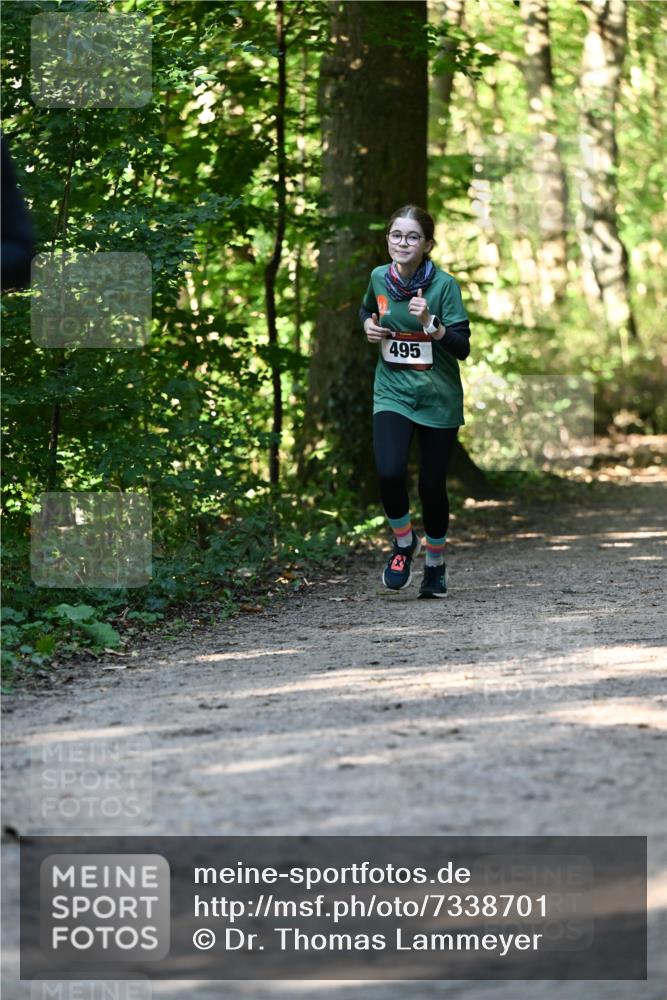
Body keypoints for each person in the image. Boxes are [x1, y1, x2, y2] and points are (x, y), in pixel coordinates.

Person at [359, 205, 471, 598]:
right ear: (388, 240)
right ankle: (405, 542)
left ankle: (436, 565)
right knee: (389, 473)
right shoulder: (378, 277)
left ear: (427, 244)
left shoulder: (444, 286)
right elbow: (367, 310)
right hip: (391, 392)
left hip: (437, 399)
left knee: (430, 485)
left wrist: (431, 325)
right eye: (396, 235)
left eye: (411, 237)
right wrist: (369, 326)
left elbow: (463, 348)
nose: (402, 243)